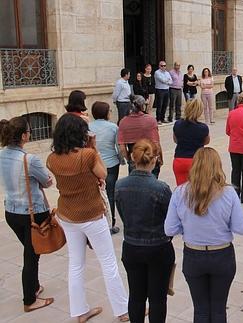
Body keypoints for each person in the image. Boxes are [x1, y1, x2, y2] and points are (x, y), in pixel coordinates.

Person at [46, 114, 129, 323]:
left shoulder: (52, 159)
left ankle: (79, 311)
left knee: (76, 263)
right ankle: (123, 310)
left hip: (67, 214)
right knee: (108, 263)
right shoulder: (88, 155)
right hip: (91, 214)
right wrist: (94, 149)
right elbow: (102, 174)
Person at [164, 147, 243, 323]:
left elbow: (169, 229)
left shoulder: (180, 192)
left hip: (194, 255)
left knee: (200, 310)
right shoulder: (229, 193)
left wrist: (187, 228)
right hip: (222, 254)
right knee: (218, 310)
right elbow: (240, 228)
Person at [115, 139, 174, 323]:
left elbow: (123, 214)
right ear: (154, 160)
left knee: (136, 295)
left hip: (132, 245)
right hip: (158, 247)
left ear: (133, 158)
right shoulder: (161, 188)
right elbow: (170, 220)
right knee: (157, 298)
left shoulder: (120, 185)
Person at [0, 117, 55, 313]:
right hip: (32, 214)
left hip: (11, 211)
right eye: (29, 131)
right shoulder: (29, 159)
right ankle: (29, 300)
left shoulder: (1, 154)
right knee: (31, 256)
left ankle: (34, 286)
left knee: (31, 251)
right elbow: (48, 182)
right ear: (24, 135)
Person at [89, 102, 122, 234]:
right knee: (110, 192)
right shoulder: (113, 127)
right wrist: (121, 159)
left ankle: (96, 221)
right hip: (111, 164)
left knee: (95, 192)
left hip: (93, 164)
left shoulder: (88, 126)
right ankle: (111, 222)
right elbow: (118, 146)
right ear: (106, 113)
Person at [118, 95, 163, 178]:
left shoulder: (123, 122)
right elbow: (156, 143)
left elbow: (122, 148)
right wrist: (160, 157)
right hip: (150, 155)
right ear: (142, 106)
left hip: (134, 157)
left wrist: (129, 159)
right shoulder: (151, 120)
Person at [172, 98, 210, 185]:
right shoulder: (203, 128)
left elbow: (175, 140)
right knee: (197, 189)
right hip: (196, 159)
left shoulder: (178, 124)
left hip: (180, 159)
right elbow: (206, 141)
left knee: (181, 190)